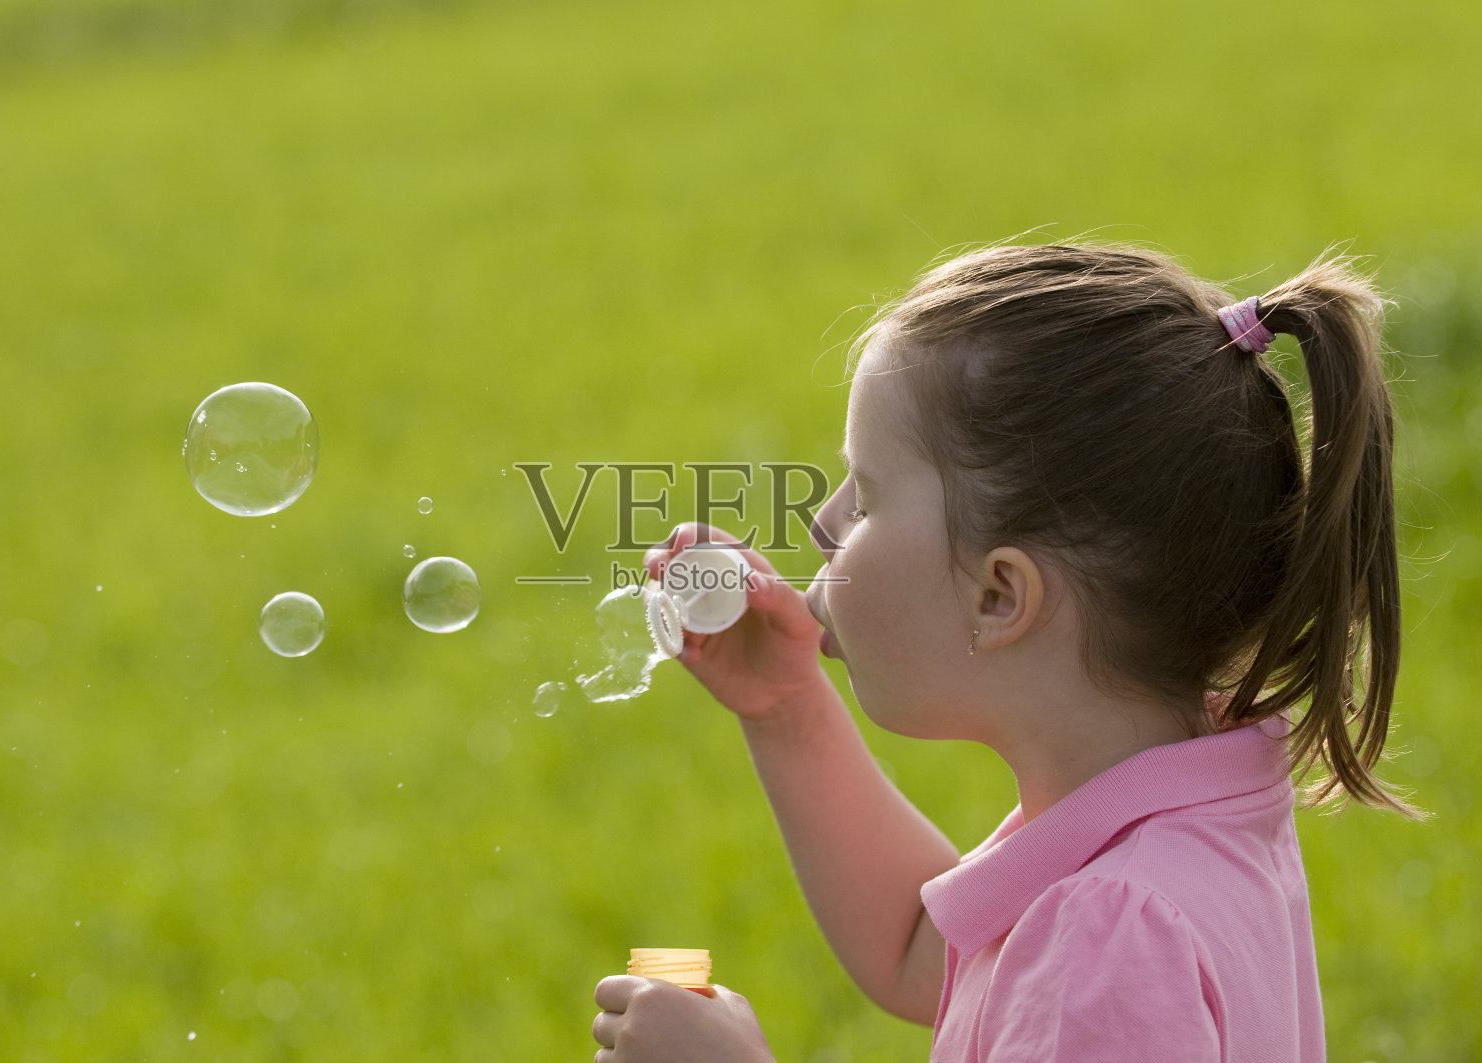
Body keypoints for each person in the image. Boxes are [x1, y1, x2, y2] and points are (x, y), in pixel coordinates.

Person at [590, 243, 1415, 1062]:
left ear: (1000, 596)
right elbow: (921, 952)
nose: (824, 522)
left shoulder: (1110, 933)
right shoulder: (1167, 806)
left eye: (867, 495)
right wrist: (786, 705)